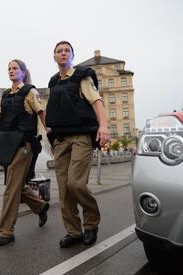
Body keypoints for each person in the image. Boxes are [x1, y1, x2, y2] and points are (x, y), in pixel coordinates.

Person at [46, 41, 110, 248]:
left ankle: (91, 223)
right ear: (54, 56)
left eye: (67, 51)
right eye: (59, 51)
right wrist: (49, 132)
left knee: (76, 184)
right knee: (64, 189)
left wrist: (104, 126)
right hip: (60, 139)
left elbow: (97, 102)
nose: (63, 54)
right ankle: (73, 231)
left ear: (72, 55)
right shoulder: (53, 82)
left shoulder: (82, 77)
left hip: (81, 137)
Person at [0, 59, 50, 247]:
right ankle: (41, 206)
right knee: (15, 184)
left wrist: (51, 133)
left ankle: (6, 231)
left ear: (23, 72)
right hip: (8, 144)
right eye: (9, 68)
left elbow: (41, 113)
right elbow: (4, 120)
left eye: (15, 68)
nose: (11, 71)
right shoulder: (6, 94)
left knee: (10, 188)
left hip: (25, 144)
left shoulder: (30, 92)